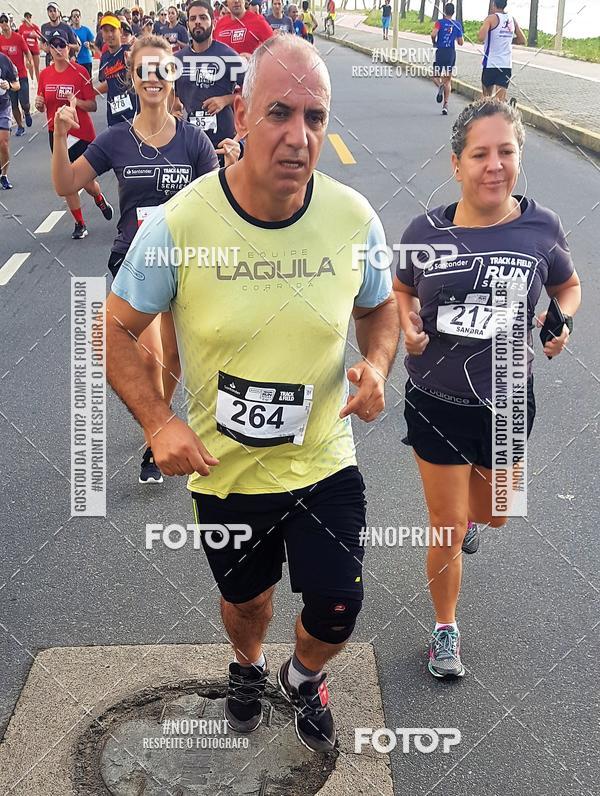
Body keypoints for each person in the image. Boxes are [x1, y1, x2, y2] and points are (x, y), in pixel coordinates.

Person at [105, 34, 398, 752]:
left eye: (315, 117)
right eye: (279, 113)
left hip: (323, 460)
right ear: (241, 114)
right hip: (226, 471)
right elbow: (113, 329)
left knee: (338, 605)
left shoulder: (352, 217)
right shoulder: (181, 224)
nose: (299, 136)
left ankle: (303, 677)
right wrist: (158, 422)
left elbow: (380, 308)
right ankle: (247, 665)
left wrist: (377, 364)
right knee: (249, 604)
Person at [393, 98, 581, 680]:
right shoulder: (425, 232)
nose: (494, 165)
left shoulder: (542, 227)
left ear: (519, 157)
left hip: (507, 399)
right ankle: (445, 628)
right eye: (480, 154)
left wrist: (562, 321)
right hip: (437, 400)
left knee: (497, 512)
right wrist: (407, 324)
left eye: (506, 152)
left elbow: (568, 285)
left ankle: (476, 520)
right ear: (457, 164)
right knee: (446, 524)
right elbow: (401, 289)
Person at [53, 34, 219, 483]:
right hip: (134, 259)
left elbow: (219, 201)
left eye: (162, 69)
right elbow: (66, 184)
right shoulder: (115, 139)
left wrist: (234, 163)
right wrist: (61, 135)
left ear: (173, 75)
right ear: (132, 77)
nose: (153, 78)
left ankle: (158, 425)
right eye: (144, 70)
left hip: (185, 262)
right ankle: (158, 433)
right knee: (149, 357)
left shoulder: (194, 141)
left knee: (174, 358)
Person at [35, 31, 113, 239]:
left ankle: (98, 197)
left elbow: (93, 105)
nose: (58, 49)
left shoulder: (80, 72)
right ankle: (80, 223)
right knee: (66, 179)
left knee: (86, 182)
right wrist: (39, 104)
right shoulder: (45, 75)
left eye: (62, 45)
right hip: (57, 134)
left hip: (80, 133)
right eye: (54, 45)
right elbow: (42, 103)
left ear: (68, 48)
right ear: (49, 49)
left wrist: (76, 102)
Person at [172, 0, 242, 165]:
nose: (197, 22)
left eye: (203, 18)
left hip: (223, 142)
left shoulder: (228, 56)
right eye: (193, 18)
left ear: (213, 22)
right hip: (190, 141)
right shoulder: (178, 60)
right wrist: (173, 105)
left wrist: (225, 100)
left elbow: (252, 93)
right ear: (188, 25)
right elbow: (170, 91)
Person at [478, 0, 525, 103]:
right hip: (505, 65)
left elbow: (481, 37)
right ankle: (504, 108)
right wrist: (507, 39)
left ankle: (489, 111)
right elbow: (522, 40)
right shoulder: (512, 19)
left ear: (493, 4)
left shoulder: (490, 19)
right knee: (500, 101)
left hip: (490, 63)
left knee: (486, 99)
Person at [96, 15, 137, 128]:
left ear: (120, 31)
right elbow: (108, 82)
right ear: (102, 34)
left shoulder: (129, 51)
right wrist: (91, 91)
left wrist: (132, 62)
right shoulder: (104, 57)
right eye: (106, 31)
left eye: (113, 30)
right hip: (113, 115)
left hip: (133, 113)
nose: (110, 34)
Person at [0, 13, 33, 136]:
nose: (4, 23)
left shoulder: (18, 38)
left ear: (10, 22)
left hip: (21, 74)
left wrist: (29, 61)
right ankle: (20, 126)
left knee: (24, 102)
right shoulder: (0, 39)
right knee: (13, 104)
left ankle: (27, 112)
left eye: (6, 21)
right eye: (1, 21)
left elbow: (27, 52)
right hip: (7, 78)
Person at [431, 2, 463, 116]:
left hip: (441, 52)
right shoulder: (457, 24)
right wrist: (456, 36)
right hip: (450, 53)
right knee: (448, 79)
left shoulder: (439, 23)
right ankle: (445, 105)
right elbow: (460, 42)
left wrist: (434, 42)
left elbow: (433, 34)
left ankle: (440, 85)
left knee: (435, 76)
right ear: (453, 12)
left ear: (444, 11)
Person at [0, 49, 19, 188]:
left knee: (3, 143)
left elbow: (17, 85)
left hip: (3, 107)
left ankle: (4, 175)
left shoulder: (4, 60)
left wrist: (9, 85)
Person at [70, 8, 95, 76]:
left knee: (87, 81)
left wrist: (89, 44)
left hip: (86, 60)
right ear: (71, 18)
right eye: (74, 16)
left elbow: (94, 45)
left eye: (78, 16)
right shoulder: (70, 31)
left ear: (80, 17)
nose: (76, 18)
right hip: (75, 61)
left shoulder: (86, 30)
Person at [18, 12, 42, 82]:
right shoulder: (22, 27)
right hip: (27, 49)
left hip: (35, 48)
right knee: (30, 64)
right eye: (26, 17)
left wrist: (36, 35)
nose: (28, 19)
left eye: (29, 17)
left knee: (37, 66)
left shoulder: (34, 27)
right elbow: (19, 37)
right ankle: (32, 80)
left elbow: (41, 38)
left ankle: (39, 81)